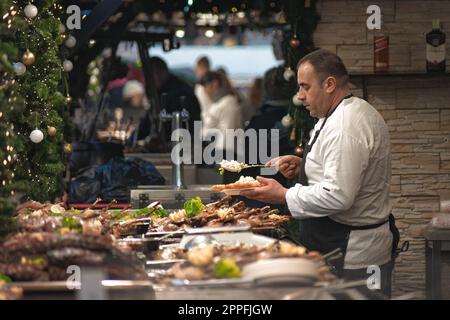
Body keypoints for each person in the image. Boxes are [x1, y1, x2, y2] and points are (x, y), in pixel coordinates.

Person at [241, 49, 398, 297]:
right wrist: (304, 166)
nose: (300, 96)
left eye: (305, 87)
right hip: (336, 244)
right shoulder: (334, 114)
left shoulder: (346, 126)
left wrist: (284, 195)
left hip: (352, 254)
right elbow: (340, 170)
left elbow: (339, 195)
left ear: (329, 84)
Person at [137, 56, 201, 142]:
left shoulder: (177, 92)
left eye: (150, 75)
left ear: (162, 71)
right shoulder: (163, 90)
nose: (147, 80)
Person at [200, 71, 243, 158]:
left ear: (215, 84)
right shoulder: (219, 102)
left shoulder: (228, 103)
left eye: (205, 87)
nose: (204, 91)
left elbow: (228, 132)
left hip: (224, 153)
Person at [194, 56, 213, 126]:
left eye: (197, 68)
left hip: (205, 123)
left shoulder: (201, 87)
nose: (195, 71)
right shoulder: (213, 84)